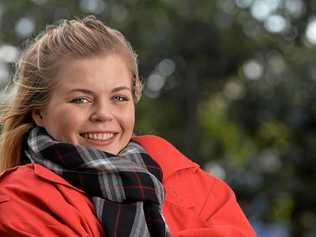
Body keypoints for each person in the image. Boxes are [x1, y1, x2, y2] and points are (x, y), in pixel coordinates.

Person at [0, 16, 256, 237]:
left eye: (119, 98)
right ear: (39, 112)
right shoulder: (20, 201)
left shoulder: (187, 178)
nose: (103, 114)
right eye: (81, 99)